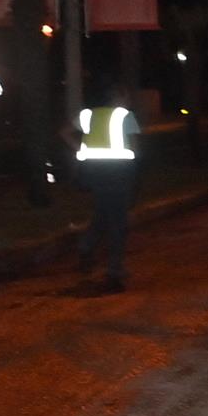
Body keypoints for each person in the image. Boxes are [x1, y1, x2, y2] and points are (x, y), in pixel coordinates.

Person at [70, 83, 141, 294]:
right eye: (125, 95)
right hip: (118, 172)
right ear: (117, 97)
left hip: (94, 172)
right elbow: (135, 147)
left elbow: (64, 132)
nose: (128, 99)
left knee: (102, 212)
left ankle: (85, 247)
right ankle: (114, 272)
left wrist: (82, 150)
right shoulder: (124, 115)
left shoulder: (88, 115)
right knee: (118, 223)